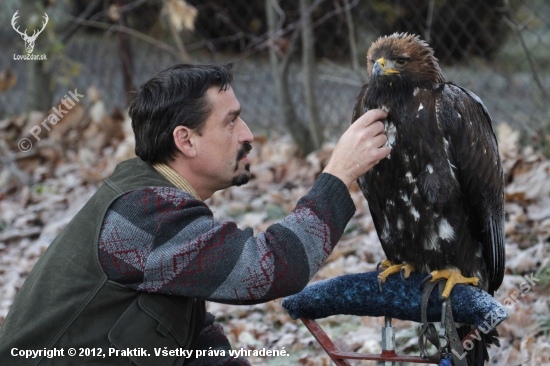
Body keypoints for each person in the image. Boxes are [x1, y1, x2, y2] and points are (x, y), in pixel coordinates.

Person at [0, 63, 390, 366]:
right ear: (185, 140)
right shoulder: (142, 216)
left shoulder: (152, 199)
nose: (248, 134)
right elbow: (270, 269)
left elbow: (190, 334)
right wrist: (340, 175)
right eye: (231, 121)